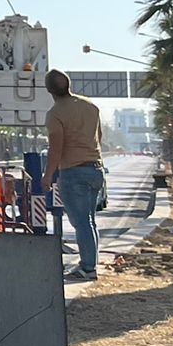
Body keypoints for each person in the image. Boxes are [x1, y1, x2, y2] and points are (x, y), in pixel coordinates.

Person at [44, 70, 106, 279]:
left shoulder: (55, 113)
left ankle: (88, 268)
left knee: (81, 222)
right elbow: (99, 137)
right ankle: (89, 263)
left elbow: (56, 148)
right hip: (95, 169)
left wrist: (48, 175)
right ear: (69, 84)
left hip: (73, 171)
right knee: (89, 220)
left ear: (49, 90)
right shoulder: (91, 106)